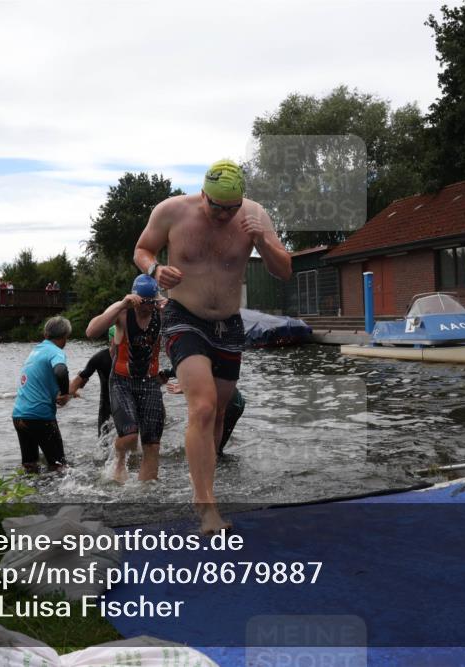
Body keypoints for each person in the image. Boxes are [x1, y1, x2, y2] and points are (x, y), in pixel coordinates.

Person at [134, 159, 291, 533]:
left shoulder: (254, 215)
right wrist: (155, 270)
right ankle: (206, 507)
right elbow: (142, 250)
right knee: (202, 407)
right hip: (183, 316)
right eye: (216, 207)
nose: (224, 216)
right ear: (203, 194)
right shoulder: (172, 211)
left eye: (231, 209)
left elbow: (283, 270)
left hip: (229, 325)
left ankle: (206, 485)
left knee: (219, 413)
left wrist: (263, 241)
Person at [86, 276, 166, 483]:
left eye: (151, 302)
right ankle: (119, 454)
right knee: (130, 437)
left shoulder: (161, 312)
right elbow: (91, 331)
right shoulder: (122, 312)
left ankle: (146, 494)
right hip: (122, 382)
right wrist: (122, 304)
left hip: (149, 382)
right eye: (142, 302)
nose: (146, 307)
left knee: (152, 445)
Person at [11, 316, 73, 473]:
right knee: (59, 466)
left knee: (30, 465)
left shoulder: (36, 351)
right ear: (65, 336)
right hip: (40, 415)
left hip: (19, 415)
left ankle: (29, 494)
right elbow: (61, 370)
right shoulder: (56, 352)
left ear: (46, 335)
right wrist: (65, 394)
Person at [68, 324, 117, 437]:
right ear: (111, 339)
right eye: (118, 337)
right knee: (104, 444)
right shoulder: (99, 358)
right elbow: (79, 380)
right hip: (106, 406)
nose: (121, 341)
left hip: (127, 404)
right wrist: (67, 394)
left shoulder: (132, 357)